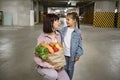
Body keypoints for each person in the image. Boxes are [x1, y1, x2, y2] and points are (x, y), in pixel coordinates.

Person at [34, 13, 70, 80]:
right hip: (44, 66)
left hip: (57, 65)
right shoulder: (42, 38)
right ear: (50, 23)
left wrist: (60, 64)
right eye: (57, 21)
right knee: (53, 75)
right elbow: (37, 57)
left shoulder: (59, 35)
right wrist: (51, 66)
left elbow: (59, 52)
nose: (59, 22)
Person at [59, 12, 83, 80]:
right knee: (64, 69)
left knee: (70, 69)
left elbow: (80, 45)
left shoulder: (78, 32)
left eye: (68, 19)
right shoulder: (64, 29)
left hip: (72, 55)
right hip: (64, 54)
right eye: (66, 19)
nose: (66, 21)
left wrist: (78, 55)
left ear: (75, 20)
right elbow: (57, 32)